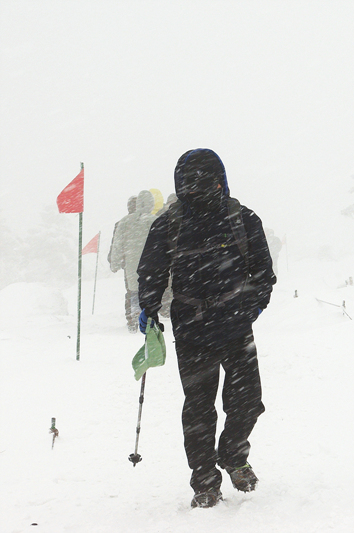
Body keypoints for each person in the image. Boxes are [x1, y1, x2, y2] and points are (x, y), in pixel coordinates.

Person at [137, 148, 276, 509]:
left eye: (205, 179)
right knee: (199, 408)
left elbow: (263, 269)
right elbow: (150, 270)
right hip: (192, 326)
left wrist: (256, 302)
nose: (197, 188)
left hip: (235, 323)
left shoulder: (241, 219)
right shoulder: (169, 224)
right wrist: (149, 307)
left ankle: (233, 455)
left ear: (220, 179)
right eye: (189, 181)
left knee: (247, 402)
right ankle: (205, 482)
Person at [108, 191, 156, 332]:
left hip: (132, 264)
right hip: (151, 263)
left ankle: (135, 313)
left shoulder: (124, 222)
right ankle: (148, 319)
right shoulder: (155, 220)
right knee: (150, 291)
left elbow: (117, 245)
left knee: (134, 291)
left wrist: (115, 263)